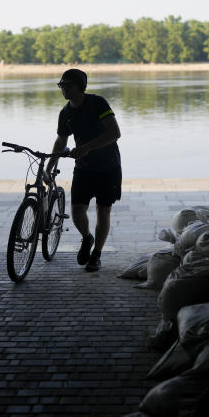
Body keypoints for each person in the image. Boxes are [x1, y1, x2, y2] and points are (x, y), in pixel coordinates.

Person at [47, 68, 121, 272]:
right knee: (77, 210)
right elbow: (61, 140)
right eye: (61, 85)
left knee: (103, 210)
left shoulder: (98, 103)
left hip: (108, 166)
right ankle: (87, 238)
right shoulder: (66, 112)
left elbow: (115, 133)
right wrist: (50, 166)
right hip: (84, 168)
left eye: (67, 85)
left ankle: (96, 254)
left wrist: (87, 147)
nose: (63, 89)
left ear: (80, 87)